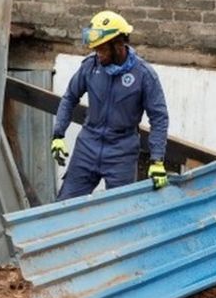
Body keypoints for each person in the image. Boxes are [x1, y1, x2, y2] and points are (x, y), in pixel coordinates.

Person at [51, 11, 169, 201]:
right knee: (64, 206)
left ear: (119, 45)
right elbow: (69, 98)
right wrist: (58, 134)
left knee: (120, 210)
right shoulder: (90, 66)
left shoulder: (144, 75)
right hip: (87, 146)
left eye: (102, 49)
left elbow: (159, 117)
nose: (98, 54)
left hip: (122, 152)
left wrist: (157, 160)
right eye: (96, 49)